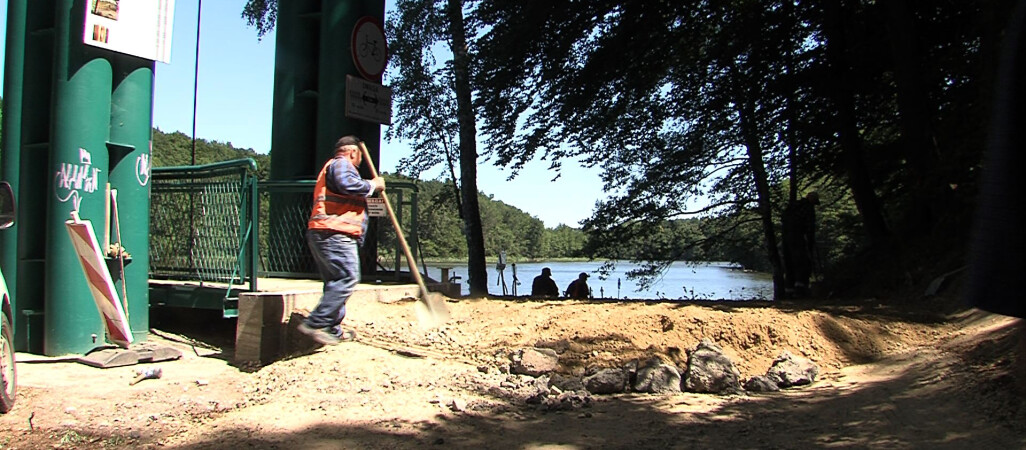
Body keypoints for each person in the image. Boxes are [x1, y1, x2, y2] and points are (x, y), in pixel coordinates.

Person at [298, 135, 386, 345]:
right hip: (334, 233)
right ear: (354, 152)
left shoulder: (337, 166)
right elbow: (347, 184)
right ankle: (317, 323)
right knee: (347, 278)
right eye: (360, 158)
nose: (360, 162)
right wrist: (372, 185)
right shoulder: (341, 164)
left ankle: (332, 329)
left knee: (335, 282)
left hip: (327, 232)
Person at [782, 191, 820, 298]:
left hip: (786, 237)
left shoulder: (792, 206)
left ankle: (788, 291)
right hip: (798, 238)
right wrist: (810, 244)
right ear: (812, 200)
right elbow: (810, 228)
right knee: (802, 263)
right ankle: (800, 291)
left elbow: (783, 219)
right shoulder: (808, 209)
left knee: (789, 263)